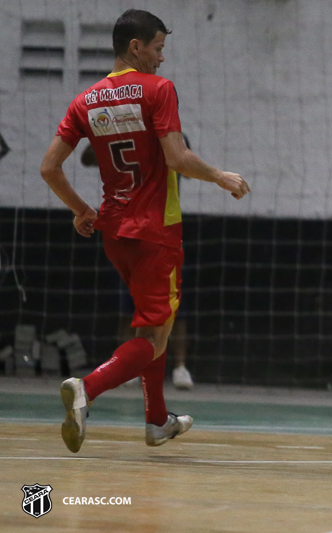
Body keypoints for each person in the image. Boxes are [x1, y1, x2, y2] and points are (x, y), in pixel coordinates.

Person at [40, 9, 249, 453]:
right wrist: (220, 176)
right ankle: (87, 387)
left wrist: (81, 210)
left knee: (158, 328)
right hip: (156, 231)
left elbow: (49, 167)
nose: (161, 59)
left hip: (114, 230)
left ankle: (157, 421)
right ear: (136, 47)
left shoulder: (86, 100)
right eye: (158, 49)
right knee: (153, 336)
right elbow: (177, 158)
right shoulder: (158, 90)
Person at [82, 141, 195, 390]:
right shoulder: (122, 130)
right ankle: (121, 372)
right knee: (131, 311)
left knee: (173, 313)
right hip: (134, 233)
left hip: (153, 233)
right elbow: (86, 158)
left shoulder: (173, 136)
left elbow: (184, 165)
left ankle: (179, 368)